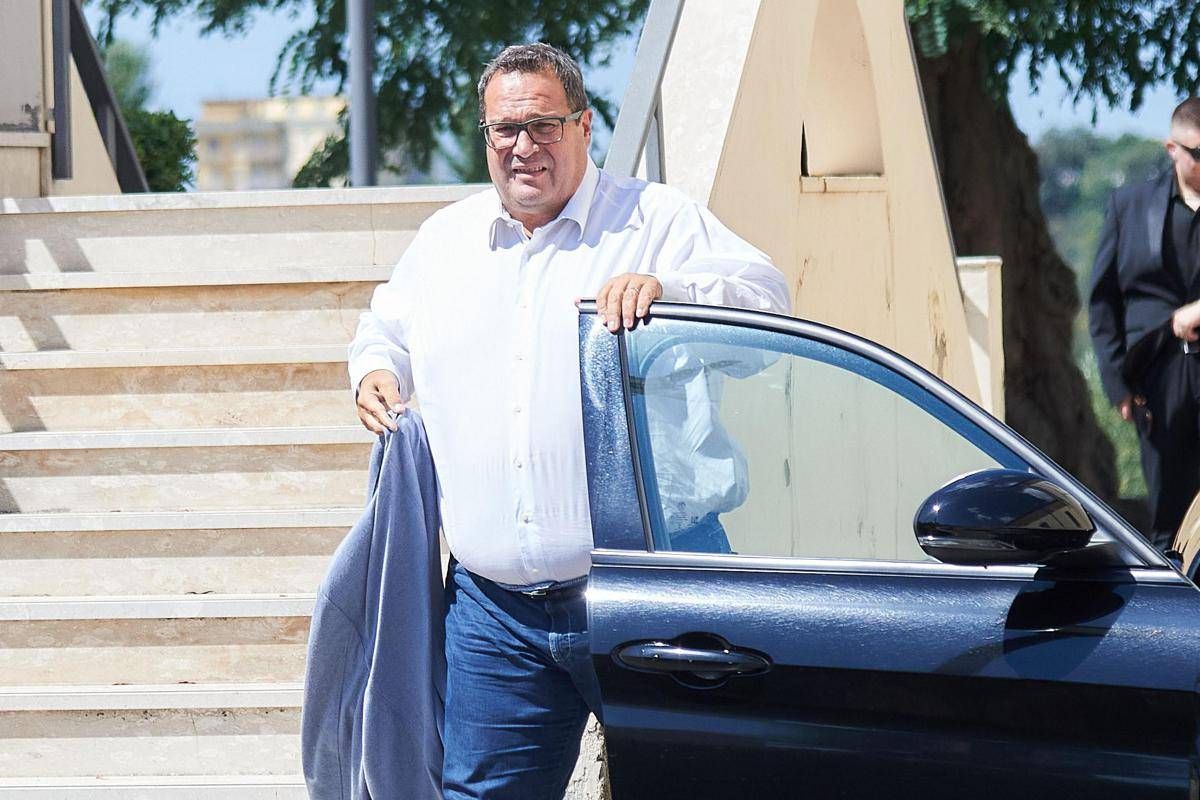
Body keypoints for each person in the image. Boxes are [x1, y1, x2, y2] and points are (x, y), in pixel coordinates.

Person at [347, 43, 790, 799]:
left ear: (584, 126)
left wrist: (673, 293)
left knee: (700, 786)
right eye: (504, 129)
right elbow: (383, 329)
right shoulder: (445, 241)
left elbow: (768, 309)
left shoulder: (657, 221)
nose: (523, 146)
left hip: (656, 593)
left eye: (543, 126)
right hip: (494, 615)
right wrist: (375, 370)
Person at [1089, 97, 1200, 552]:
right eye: (1197, 154)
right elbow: (1103, 302)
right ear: (1172, 148)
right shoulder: (1130, 205)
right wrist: (1118, 386)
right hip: (1157, 379)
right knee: (1167, 522)